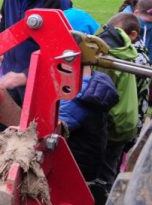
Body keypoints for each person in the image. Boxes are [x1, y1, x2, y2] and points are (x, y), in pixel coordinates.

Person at [0, 0, 72, 104]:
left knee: (32, 120)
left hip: (38, 82)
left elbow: (60, 50)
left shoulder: (57, 0)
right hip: (9, 75)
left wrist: (25, 75)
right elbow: (5, 19)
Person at [94, 17, 138, 191]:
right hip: (126, 122)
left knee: (102, 173)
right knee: (111, 167)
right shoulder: (124, 52)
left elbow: (95, 96)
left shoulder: (106, 58)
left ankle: (105, 200)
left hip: (116, 124)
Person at [59, 67, 118, 183]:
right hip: (86, 162)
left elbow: (56, 125)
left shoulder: (80, 94)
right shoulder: (93, 81)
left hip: (75, 167)